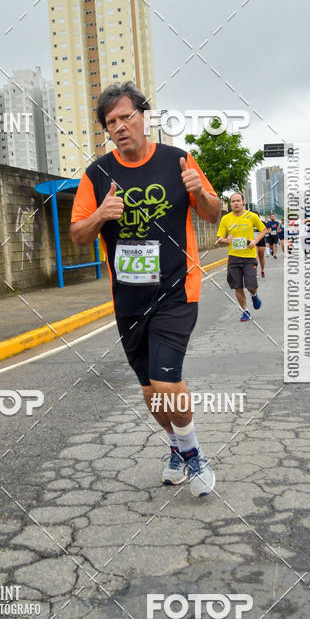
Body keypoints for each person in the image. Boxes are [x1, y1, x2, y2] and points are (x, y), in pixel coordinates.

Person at [70, 82, 221, 496]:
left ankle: (193, 455)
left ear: (143, 116)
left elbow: (213, 211)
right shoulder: (97, 174)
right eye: (110, 122)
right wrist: (102, 213)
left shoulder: (178, 160)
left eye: (125, 117)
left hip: (176, 288)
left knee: (167, 381)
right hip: (129, 297)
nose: (119, 127)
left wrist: (198, 192)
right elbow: (79, 234)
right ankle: (175, 447)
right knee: (152, 391)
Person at [216, 194, 267, 322]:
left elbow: (264, 230)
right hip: (234, 257)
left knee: (251, 285)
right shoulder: (226, 219)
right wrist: (226, 240)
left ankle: (254, 294)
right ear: (230, 204)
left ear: (243, 202)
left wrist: (255, 241)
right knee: (237, 286)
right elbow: (219, 238)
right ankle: (245, 311)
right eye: (233, 201)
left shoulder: (251, 216)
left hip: (249, 257)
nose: (236, 203)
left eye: (238, 201)